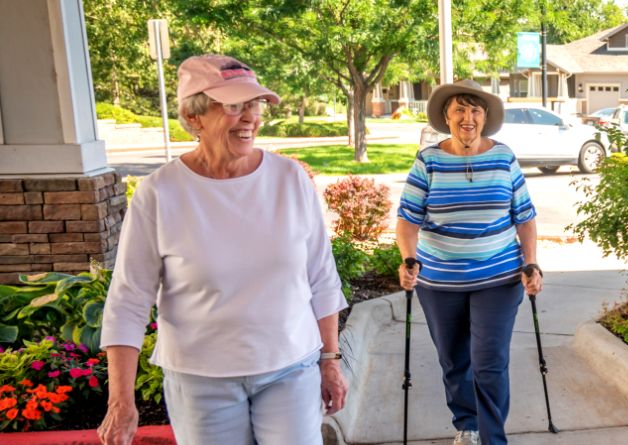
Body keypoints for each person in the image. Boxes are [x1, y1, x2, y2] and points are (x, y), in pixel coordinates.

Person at [97, 54, 348, 445]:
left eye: (255, 104)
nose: (250, 117)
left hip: (291, 367)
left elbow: (321, 277)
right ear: (193, 115)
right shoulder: (159, 194)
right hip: (200, 381)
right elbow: (128, 300)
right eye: (233, 105)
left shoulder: (289, 179)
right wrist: (121, 400)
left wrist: (330, 361)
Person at [396, 79, 543, 445]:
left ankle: (493, 438)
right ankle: (468, 426)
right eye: (459, 110)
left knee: (489, 362)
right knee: (454, 360)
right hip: (440, 281)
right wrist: (408, 258)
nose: (468, 117)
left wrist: (532, 263)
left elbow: (524, 217)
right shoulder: (428, 161)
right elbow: (407, 220)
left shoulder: (503, 157)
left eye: (475, 110)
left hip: (498, 277)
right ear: (446, 118)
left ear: (485, 117)